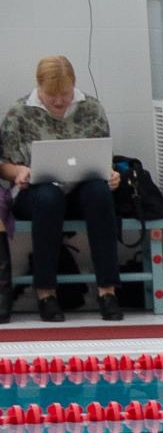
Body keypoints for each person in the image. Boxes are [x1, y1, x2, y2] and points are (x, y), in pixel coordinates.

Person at [0, 56, 123, 322]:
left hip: (80, 188)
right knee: (49, 197)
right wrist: (19, 171)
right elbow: (5, 165)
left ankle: (107, 291)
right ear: (39, 87)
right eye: (50, 95)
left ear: (74, 86)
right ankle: (46, 292)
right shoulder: (19, 112)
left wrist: (111, 174)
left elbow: (101, 156)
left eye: (64, 94)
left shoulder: (91, 108)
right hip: (35, 192)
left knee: (99, 193)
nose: (58, 101)